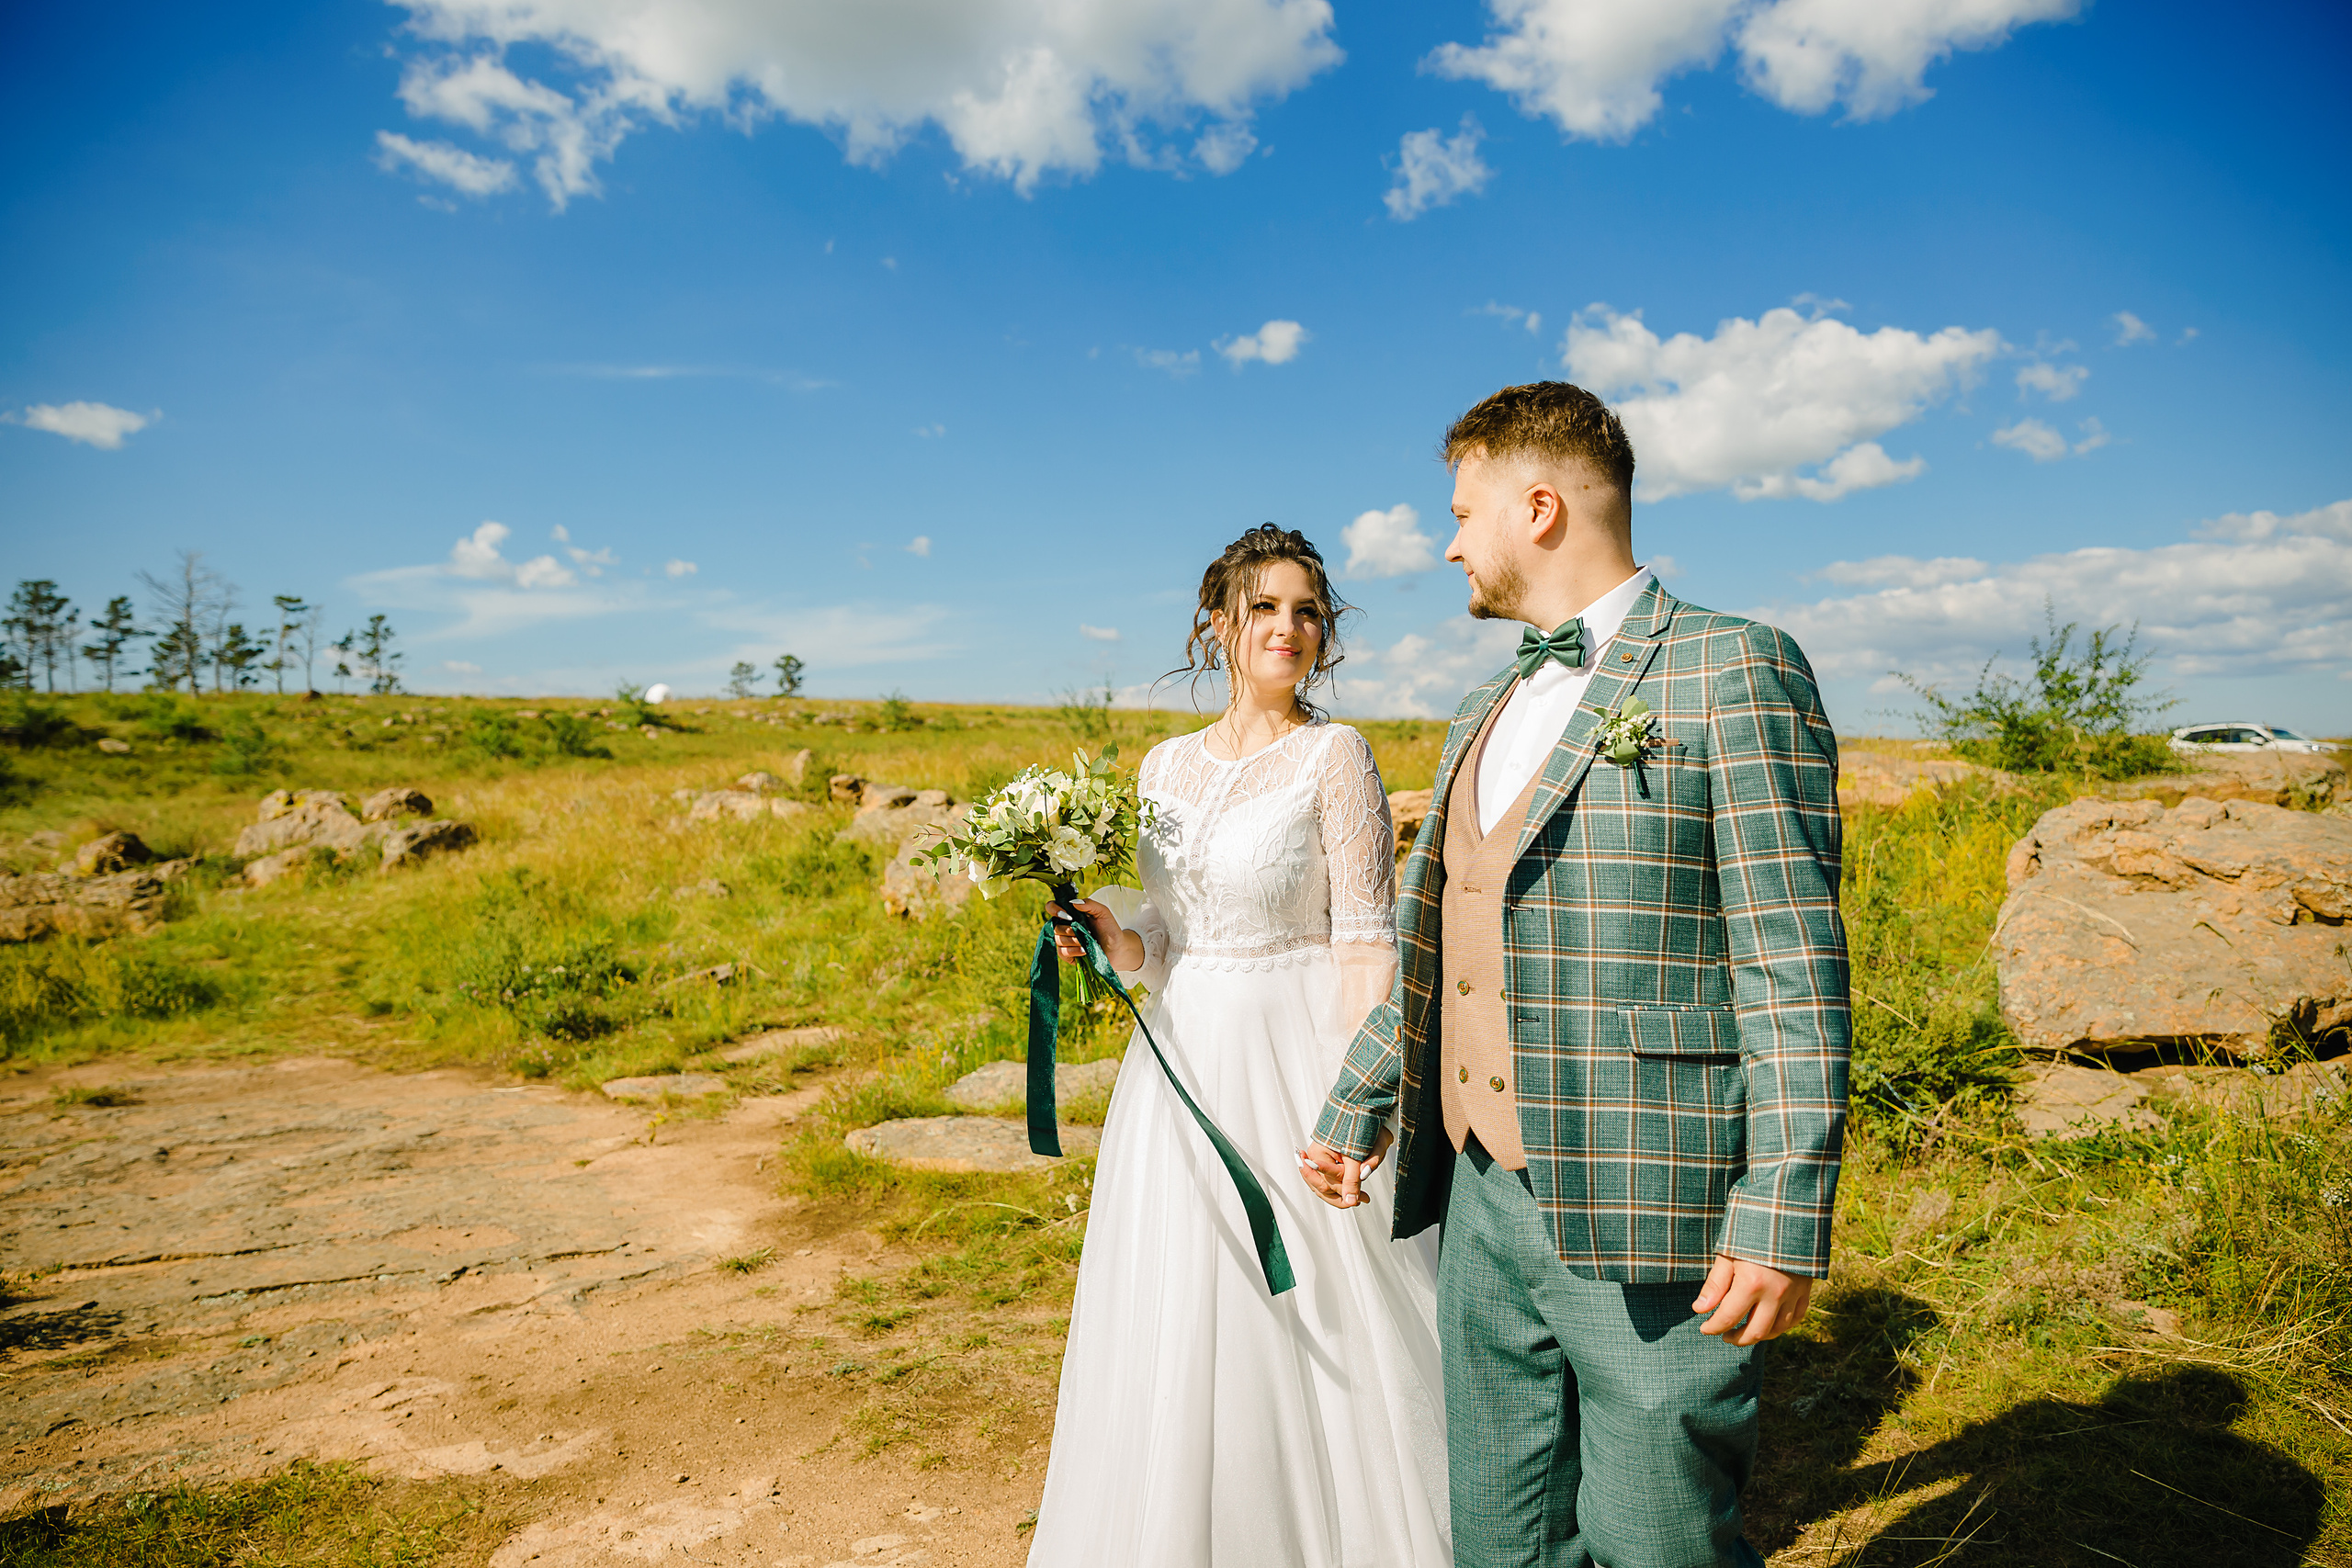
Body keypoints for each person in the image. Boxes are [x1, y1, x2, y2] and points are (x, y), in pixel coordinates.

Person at [1301, 382, 1850, 1568]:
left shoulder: (1731, 667)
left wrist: (1782, 1205)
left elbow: (1791, 959)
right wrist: (1358, 1099)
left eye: (1462, 513)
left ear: (1538, 506)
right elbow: (1442, 937)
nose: (1449, 543)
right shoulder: (1481, 706)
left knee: (1658, 1539)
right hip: (1479, 1193)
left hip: (1655, 1192)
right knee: (1500, 1536)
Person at [1027, 525, 1452, 1568]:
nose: (1287, 628)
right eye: (1264, 607)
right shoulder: (1163, 765)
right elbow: (1166, 941)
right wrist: (1109, 935)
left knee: (1322, 1301)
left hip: (1298, 1055)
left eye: (1307, 611)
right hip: (1182, 1064)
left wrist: (1362, 1101)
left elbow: (1368, 942)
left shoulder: (1336, 756)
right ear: (1218, 623)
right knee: (1186, 1299)